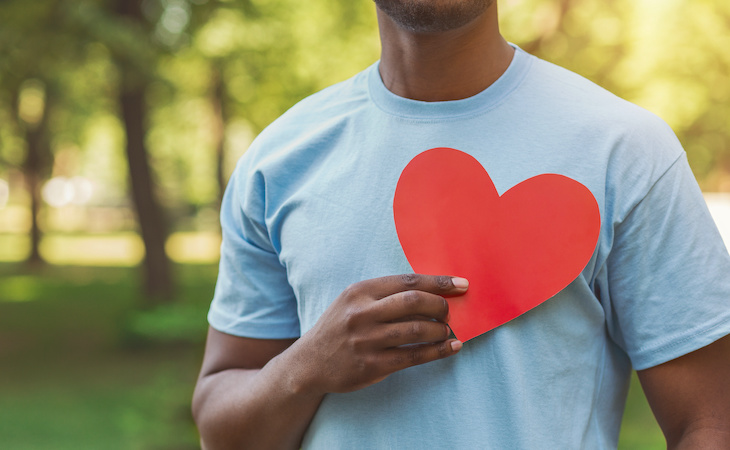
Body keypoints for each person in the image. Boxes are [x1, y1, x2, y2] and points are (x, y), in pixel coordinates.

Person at [192, 1, 730, 448]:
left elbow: (708, 422)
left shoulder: (626, 150)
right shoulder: (279, 160)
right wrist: (305, 367)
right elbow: (220, 428)